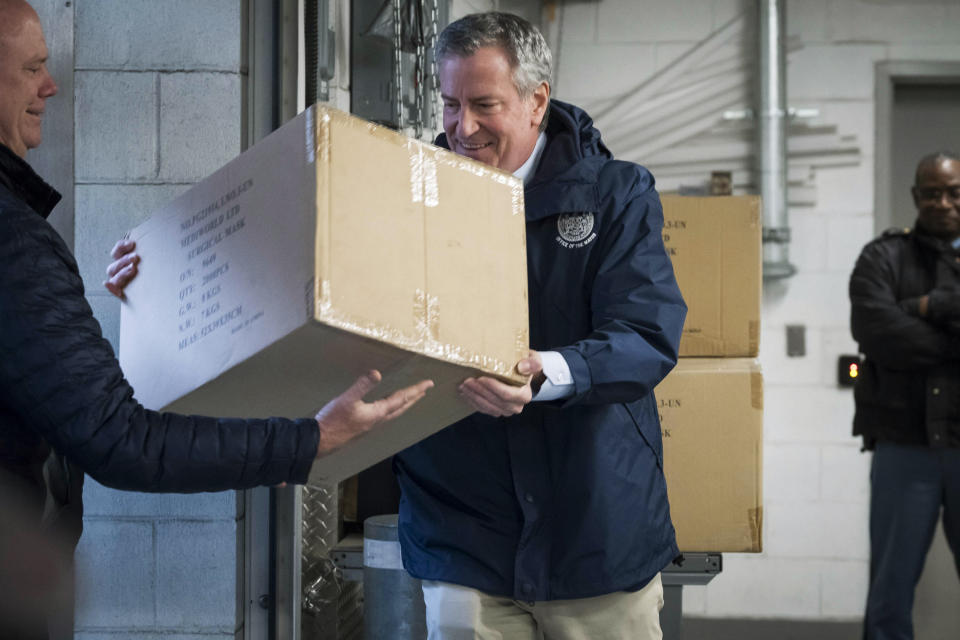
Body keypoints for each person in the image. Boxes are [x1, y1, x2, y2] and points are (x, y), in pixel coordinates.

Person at [111, 11, 686, 640]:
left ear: (536, 102)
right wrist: (156, 275)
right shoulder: (405, 191)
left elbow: (646, 334)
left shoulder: (615, 194)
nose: (462, 127)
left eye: (484, 105)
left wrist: (545, 373)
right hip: (462, 535)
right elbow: (296, 283)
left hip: (595, 534)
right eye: (449, 103)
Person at [0, 1, 432, 637]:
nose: (51, 86)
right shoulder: (14, 240)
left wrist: (133, 315)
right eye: (34, 67)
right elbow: (123, 443)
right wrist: (310, 442)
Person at [849, 150, 960, 640]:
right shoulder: (882, 257)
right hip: (902, 446)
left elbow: (900, 331)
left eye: (953, 191)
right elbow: (874, 331)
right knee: (889, 596)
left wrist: (924, 306)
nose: (942, 201)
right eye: (932, 191)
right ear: (916, 196)